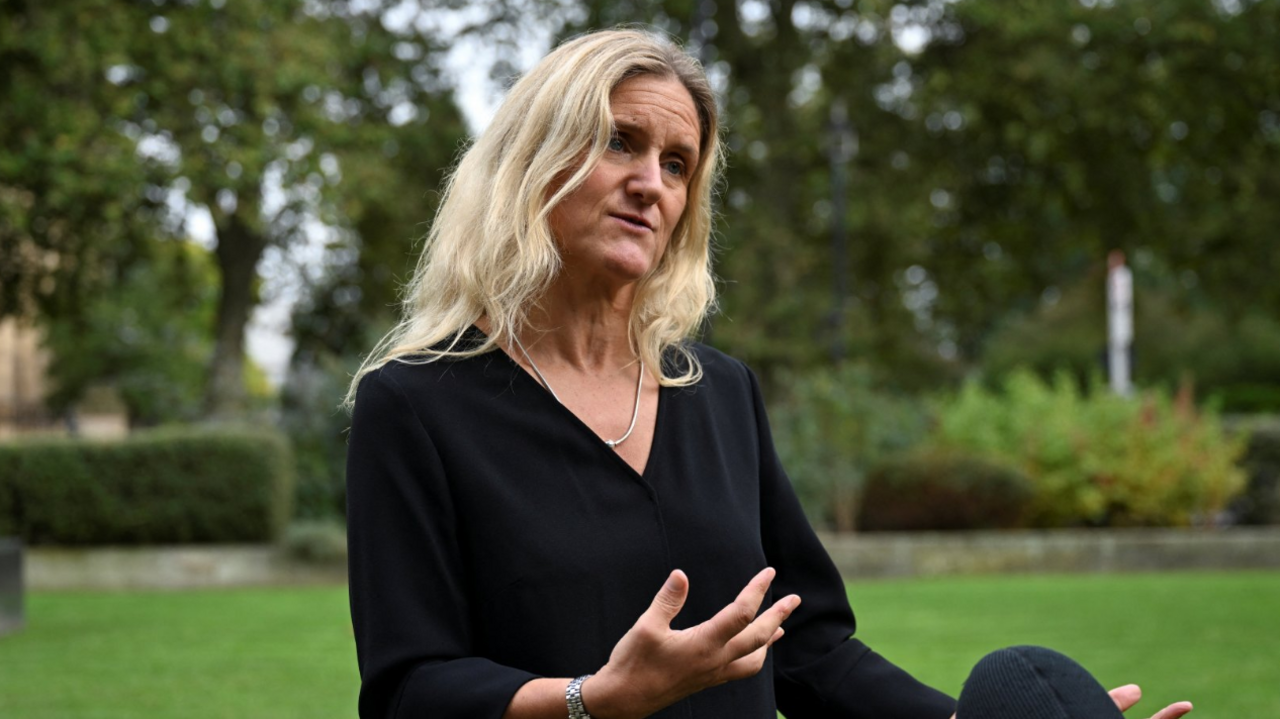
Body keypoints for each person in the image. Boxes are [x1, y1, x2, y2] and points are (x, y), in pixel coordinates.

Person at [343, 28, 1188, 719]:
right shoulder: (415, 405)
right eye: (619, 143)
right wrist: (590, 699)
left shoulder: (719, 395)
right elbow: (409, 686)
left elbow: (808, 646)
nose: (651, 184)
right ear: (534, 160)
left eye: (677, 164)